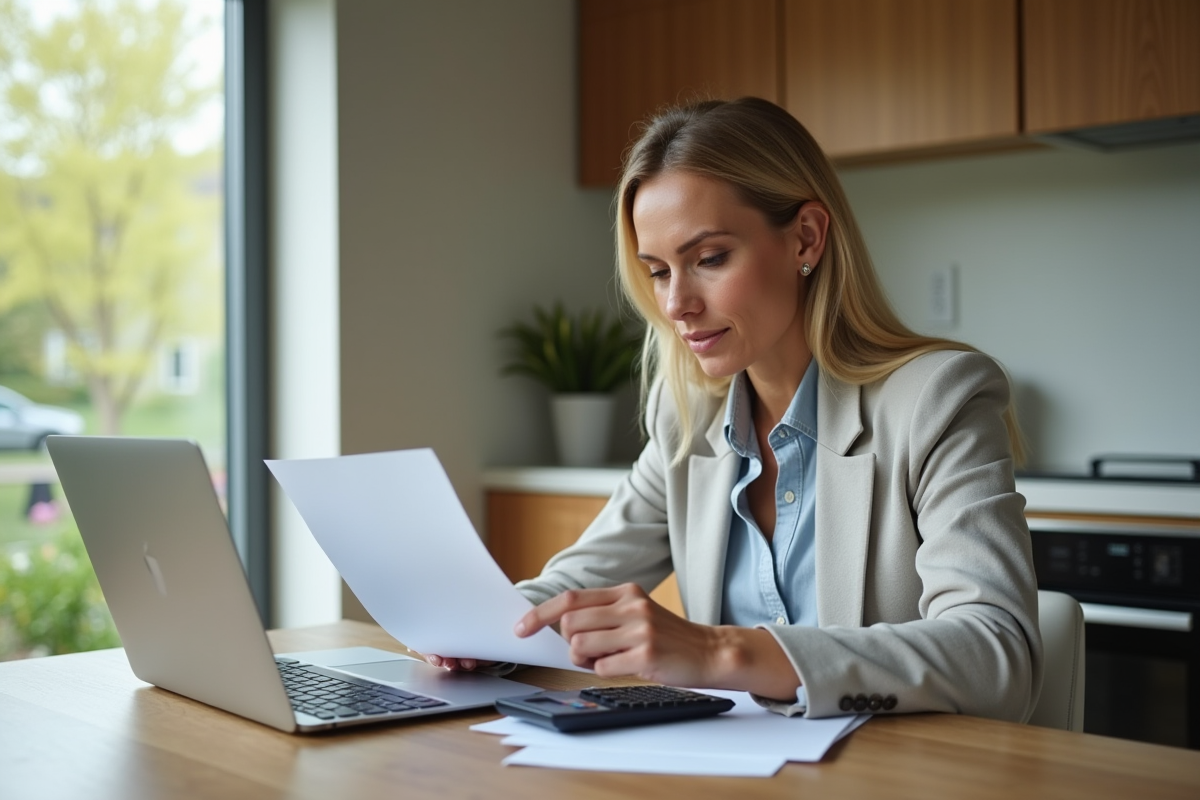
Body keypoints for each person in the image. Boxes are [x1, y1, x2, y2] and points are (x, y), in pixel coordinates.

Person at [430, 97, 1042, 722]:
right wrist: (479, 632)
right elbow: (576, 584)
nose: (677, 304)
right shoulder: (688, 415)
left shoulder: (938, 400)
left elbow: (997, 656)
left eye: (710, 259)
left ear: (806, 237)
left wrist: (719, 652)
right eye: (658, 271)